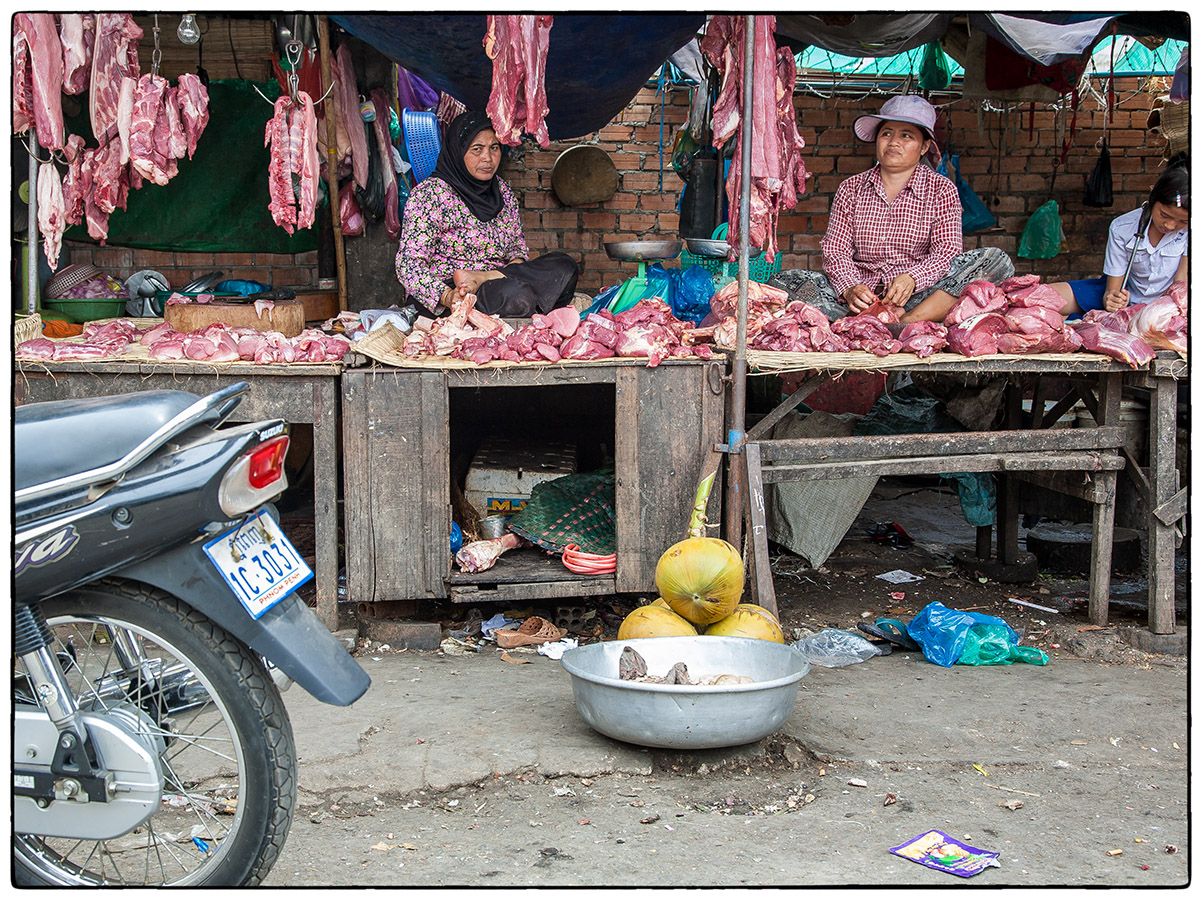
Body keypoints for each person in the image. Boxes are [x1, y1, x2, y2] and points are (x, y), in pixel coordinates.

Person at [771, 95, 1013, 324]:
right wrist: (850, 288)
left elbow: (946, 251)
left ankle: (907, 322)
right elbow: (836, 249)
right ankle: (865, 319)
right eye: (887, 133)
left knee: (995, 260)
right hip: (855, 301)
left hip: (917, 296)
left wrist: (912, 279)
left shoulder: (942, 189)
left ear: (924, 146)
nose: (894, 142)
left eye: (906, 136)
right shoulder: (851, 188)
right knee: (785, 281)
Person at [396, 110, 580, 317]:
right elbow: (409, 265)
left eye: (494, 148)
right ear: (458, 151)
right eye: (477, 149)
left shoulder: (501, 191)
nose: (488, 158)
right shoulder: (430, 194)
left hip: (497, 280)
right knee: (516, 296)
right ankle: (512, 297)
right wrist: (448, 296)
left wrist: (497, 274)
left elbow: (516, 250)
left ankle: (482, 277)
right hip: (450, 293)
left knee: (565, 267)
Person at [1048, 162, 1189, 317]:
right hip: (1129, 294)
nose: (1170, 226)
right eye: (1164, 215)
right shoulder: (1122, 227)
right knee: (1048, 297)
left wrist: (1170, 310)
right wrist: (1112, 299)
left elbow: (1181, 283)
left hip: (1168, 303)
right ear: (1153, 199)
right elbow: (1113, 288)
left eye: (1183, 222)